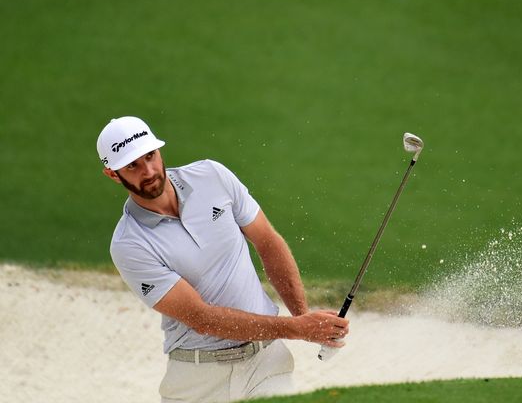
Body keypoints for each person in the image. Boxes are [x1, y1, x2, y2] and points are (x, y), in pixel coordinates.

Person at [97, 116, 349, 403]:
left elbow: (268, 242)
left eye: (150, 156)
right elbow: (202, 319)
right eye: (133, 166)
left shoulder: (212, 176)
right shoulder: (129, 243)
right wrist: (297, 329)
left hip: (265, 364)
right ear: (113, 174)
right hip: (197, 378)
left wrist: (303, 317)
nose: (149, 171)